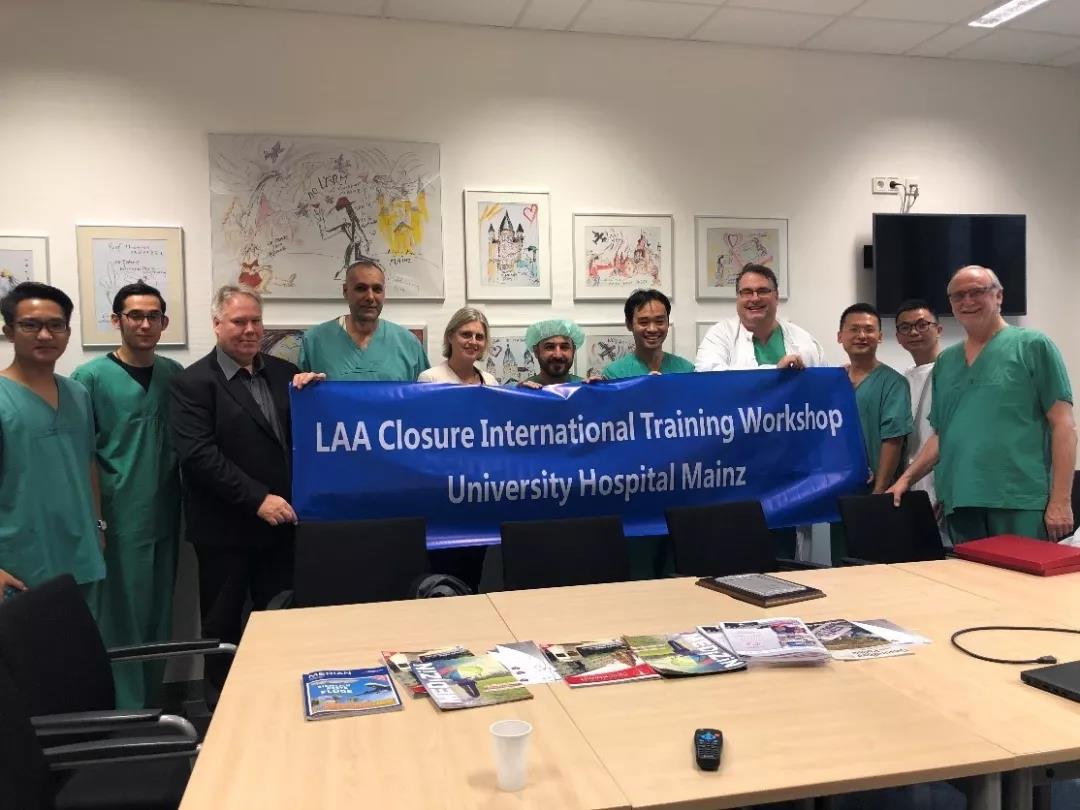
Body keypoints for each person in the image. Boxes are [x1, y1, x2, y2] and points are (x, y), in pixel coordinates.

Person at [171, 286, 312, 691]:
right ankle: (222, 708)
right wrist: (257, 499)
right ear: (217, 324)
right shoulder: (193, 382)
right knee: (223, 627)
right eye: (238, 321)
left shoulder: (285, 375)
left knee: (281, 616)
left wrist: (318, 394)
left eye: (256, 321)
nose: (250, 330)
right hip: (225, 531)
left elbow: (304, 437)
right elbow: (199, 456)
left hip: (282, 527)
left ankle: (278, 696)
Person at [889, 266, 1075, 543]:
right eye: (958, 295)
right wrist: (906, 479)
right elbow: (942, 435)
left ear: (998, 296)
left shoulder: (1032, 346)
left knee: (1020, 573)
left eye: (977, 292)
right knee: (968, 573)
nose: (967, 301)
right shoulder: (946, 362)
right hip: (960, 501)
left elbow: (1063, 425)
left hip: (1019, 499)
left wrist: (1061, 500)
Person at [71, 282, 184, 708]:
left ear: (164, 322)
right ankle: (125, 710)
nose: (144, 324)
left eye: (153, 316)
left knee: (159, 613)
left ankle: (153, 703)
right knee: (121, 616)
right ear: (116, 321)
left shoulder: (174, 374)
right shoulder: (90, 379)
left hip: (165, 514)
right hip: (117, 519)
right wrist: (95, 520)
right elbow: (80, 456)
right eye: (135, 315)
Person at [0, 282, 105, 610]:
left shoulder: (78, 393)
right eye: (30, 325)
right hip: (18, 563)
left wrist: (98, 526)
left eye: (56, 325)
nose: (45, 335)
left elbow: (87, 463)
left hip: (80, 554)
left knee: (79, 641)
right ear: (8, 331)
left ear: (68, 333)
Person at [298, 257, 429, 381]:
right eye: (361, 288)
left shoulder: (408, 343)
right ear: (345, 291)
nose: (370, 297)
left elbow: (425, 393)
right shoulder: (314, 341)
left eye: (377, 289)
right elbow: (300, 392)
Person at [837, 303, 913, 495]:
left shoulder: (893, 383)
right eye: (854, 329)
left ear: (879, 336)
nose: (862, 336)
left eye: (869, 330)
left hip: (876, 491)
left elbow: (893, 440)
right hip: (839, 487)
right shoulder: (834, 381)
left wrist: (879, 490)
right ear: (840, 337)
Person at [695, 264, 825, 371]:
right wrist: (776, 371)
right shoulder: (719, 335)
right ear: (737, 298)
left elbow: (823, 386)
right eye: (747, 292)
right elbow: (707, 377)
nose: (755, 298)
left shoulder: (805, 341)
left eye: (762, 291)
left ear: (776, 296)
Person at [894, 298, 948, 543]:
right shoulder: (903, 379)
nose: (914, 332)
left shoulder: (952, 372)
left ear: (939, 329)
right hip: (910, 486)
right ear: (898, 337)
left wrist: (946, 490)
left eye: (922, 325)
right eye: (905, 327)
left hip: (941, 486)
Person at [602, 289, 694, 379]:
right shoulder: (614, 375)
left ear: (667, 322)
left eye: (659, 321)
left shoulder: (686, 370)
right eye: (644, 322)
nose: (652, 329)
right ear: (629, 324)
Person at [418, 307, 498, 385]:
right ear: (450, 336)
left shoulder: (490, 381)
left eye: (479, 337)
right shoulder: (430, 379)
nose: (473, 342)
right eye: (466, 334)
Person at [519, 319, 586, 388]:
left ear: (573, 351)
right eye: (549, 347)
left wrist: (592, 389)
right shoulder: (524, 390)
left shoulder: (584, 387)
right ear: (536, 352)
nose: (558, 355)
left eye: (564, 347)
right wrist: (519, 393)